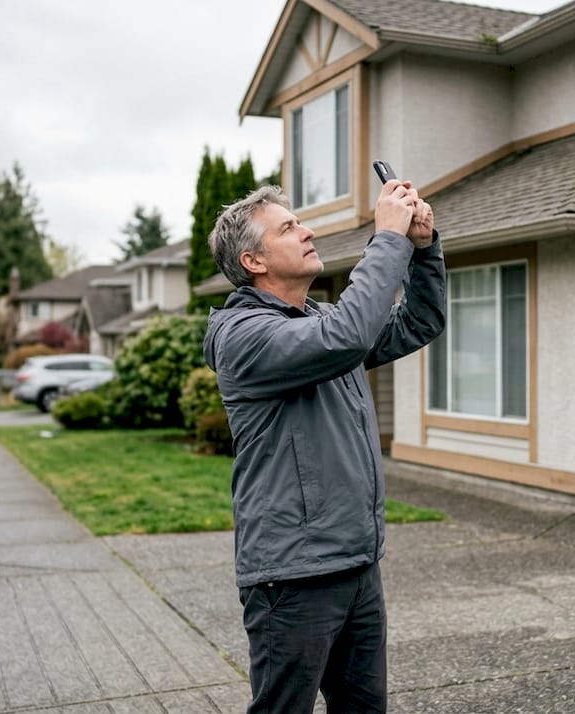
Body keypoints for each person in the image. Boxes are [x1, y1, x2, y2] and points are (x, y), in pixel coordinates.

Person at [203, 179, 446, 713]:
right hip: (291, 577)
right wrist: (387, 238)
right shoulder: (243, 336)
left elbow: (420, 320)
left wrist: (422, 249)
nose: (306, 229)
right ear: (254, 260)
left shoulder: (320, 321)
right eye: (288, 227)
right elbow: (349, 338)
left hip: (356, 564)